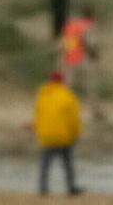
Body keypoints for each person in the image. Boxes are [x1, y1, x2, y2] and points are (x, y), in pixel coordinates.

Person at [32, 68, 82, 197]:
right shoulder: (68, 96)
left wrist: (37, 130)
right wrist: (76, 134)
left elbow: (38, 115)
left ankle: (43, 188)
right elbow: (74, 119)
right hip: (64, 136)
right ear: (62, 81)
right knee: (67, 164)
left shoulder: (42, 95)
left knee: (45, 164)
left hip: (46, 135)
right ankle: (71, 187)